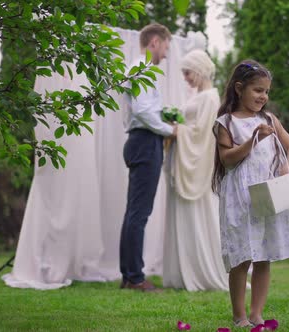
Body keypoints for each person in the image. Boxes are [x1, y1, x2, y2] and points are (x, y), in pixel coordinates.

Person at [212, 60, 289, 327]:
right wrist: (253, 140)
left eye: (266, 91)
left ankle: (257, 313)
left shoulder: (269, 119)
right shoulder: (226, 122)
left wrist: (286, 167)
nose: (263, 97)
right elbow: (227, 160)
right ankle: (239, 315)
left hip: (267, 193)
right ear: (239, 88)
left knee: (263, 254)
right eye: (257, 90)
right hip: (241, 197)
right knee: (242, 256)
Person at [162, 50, 228, 291]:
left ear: (199, 70)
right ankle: (182, 271)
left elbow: (203, 133)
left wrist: (179, 130)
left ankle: (201, 271)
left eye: (187, 72)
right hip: (182, 161)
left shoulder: (210, 97)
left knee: (197, 215)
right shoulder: (201, 96)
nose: (185, 78)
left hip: (194, 166)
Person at [120, 23, 177, 292]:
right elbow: (143, 111)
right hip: (145, 142)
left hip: (141, 142)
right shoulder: (142, 69)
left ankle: (129, 275)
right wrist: (170, 130)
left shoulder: (139, 68)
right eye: (165, 47)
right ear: (154, 42)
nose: (165, 54)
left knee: (134, 212)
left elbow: (146, 109)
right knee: (139, 213)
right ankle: (135, 277)